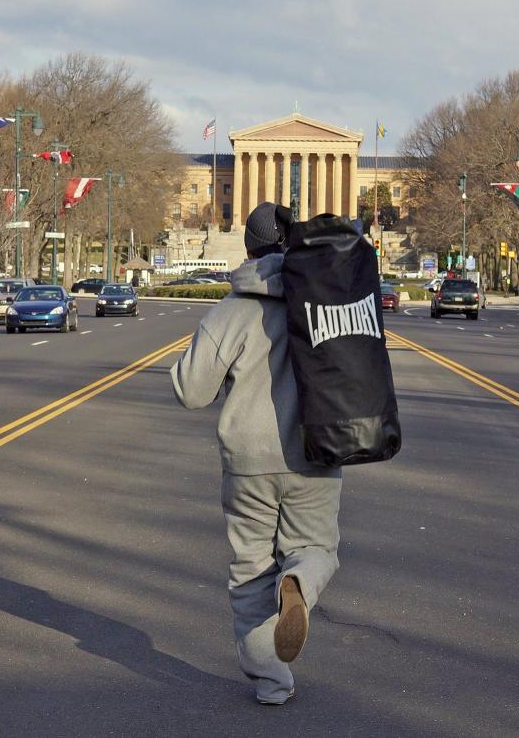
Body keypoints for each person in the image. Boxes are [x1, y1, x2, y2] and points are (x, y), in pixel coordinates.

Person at [170, 202, 342, 705]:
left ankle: (271, 682)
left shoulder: (232, 311)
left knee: (249, 573)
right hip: (316, 453)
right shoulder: (324, 300)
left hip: (247, 462)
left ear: (248, 249)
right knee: (316, 549)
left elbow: (190, 391)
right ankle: (298, 584)